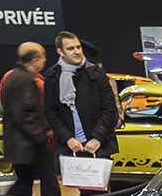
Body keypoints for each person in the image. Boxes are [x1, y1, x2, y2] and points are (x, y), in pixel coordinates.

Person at [42, 31, 120, 163]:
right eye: (70, 48)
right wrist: (67, 138)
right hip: (71, 146)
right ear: (61, 52)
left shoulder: (96, 73)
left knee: (101, 184)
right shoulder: (53, 76)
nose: (76, 51)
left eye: (78, 47)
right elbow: (50, 111)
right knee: (75, 184)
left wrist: (97, 137)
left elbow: (110, 108)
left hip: (99, 145)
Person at [0, 42, 60, 196]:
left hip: (24, 142)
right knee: (47, 179)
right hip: (30, 142)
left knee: (25, 182)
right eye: (42, 57)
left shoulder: (18, 76)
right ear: (34, 59)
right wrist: (41, 134)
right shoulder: (23, 79)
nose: (45, 61)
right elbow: (22, 112)